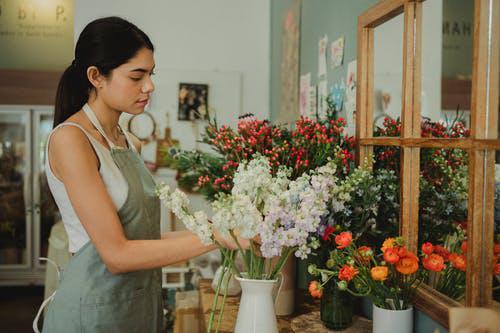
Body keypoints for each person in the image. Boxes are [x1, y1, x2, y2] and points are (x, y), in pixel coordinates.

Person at [33, 17, 244, 333]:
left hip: (136, 309)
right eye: (137, 76)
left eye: (151, 74)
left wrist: (219, 228)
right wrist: (214, 237)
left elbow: (143, 240)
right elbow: (117, 254)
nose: (149, 86)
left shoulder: (125, 139)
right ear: (96, 76)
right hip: (94, 313)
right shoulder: (71, 140)